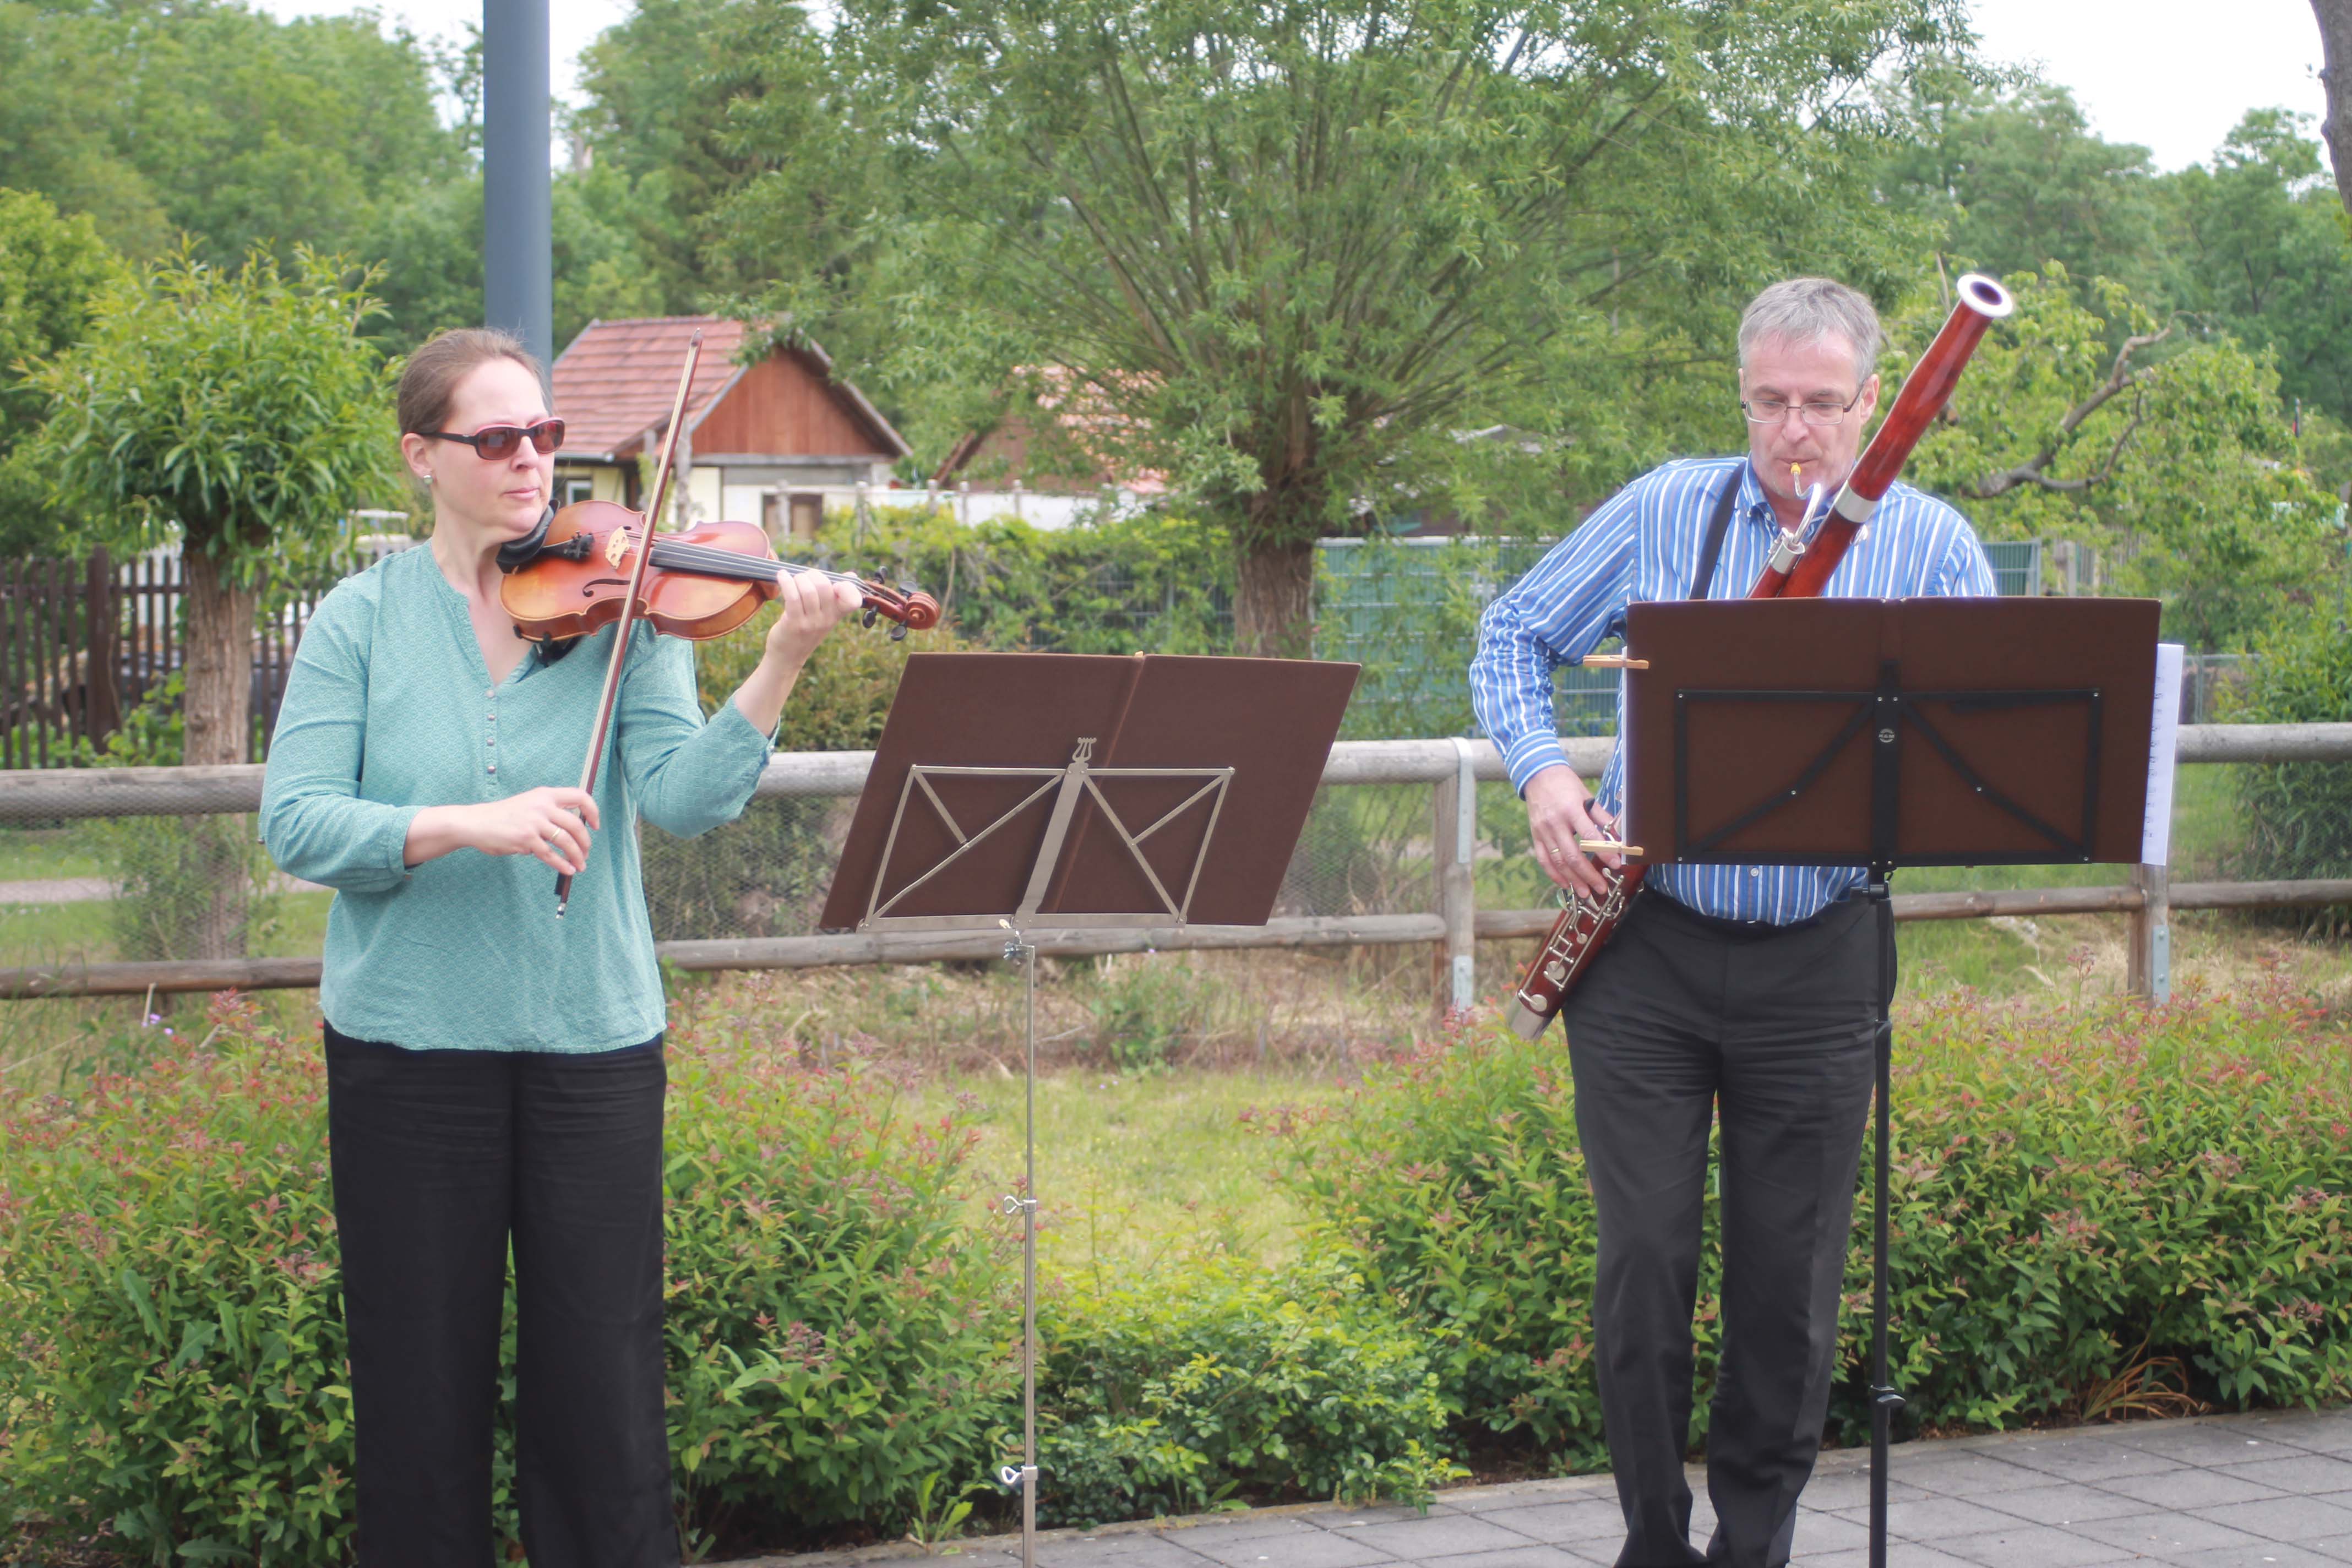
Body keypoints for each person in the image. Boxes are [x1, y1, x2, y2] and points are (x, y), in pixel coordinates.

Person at [260, 327, 862, 1566]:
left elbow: (686, 797)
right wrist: (465, 824)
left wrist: (780, 662)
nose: (534, 460)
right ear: (424, 455)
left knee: (602, 1384)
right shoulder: (360, 620)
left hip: (593, 1043)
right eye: (498, 439)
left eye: (546, 435)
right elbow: (297, 820)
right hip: (408, 1053)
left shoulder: (624, 606)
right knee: (417, 1384)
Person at [1469, 278, 1996, 1568]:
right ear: (1743, 395)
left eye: (1823, 403)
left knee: (1789, 1288)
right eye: (1772, 401)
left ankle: (1753, 1547)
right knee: (1644, 1266)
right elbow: (1511, 631)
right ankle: (1654, 1540)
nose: (1797, 430)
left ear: (1877, 403)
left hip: (1821, 954)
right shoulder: (1665, 505)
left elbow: (1994, 728)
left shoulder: (1930, 544)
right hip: (1643, 942)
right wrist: (1545, 776)